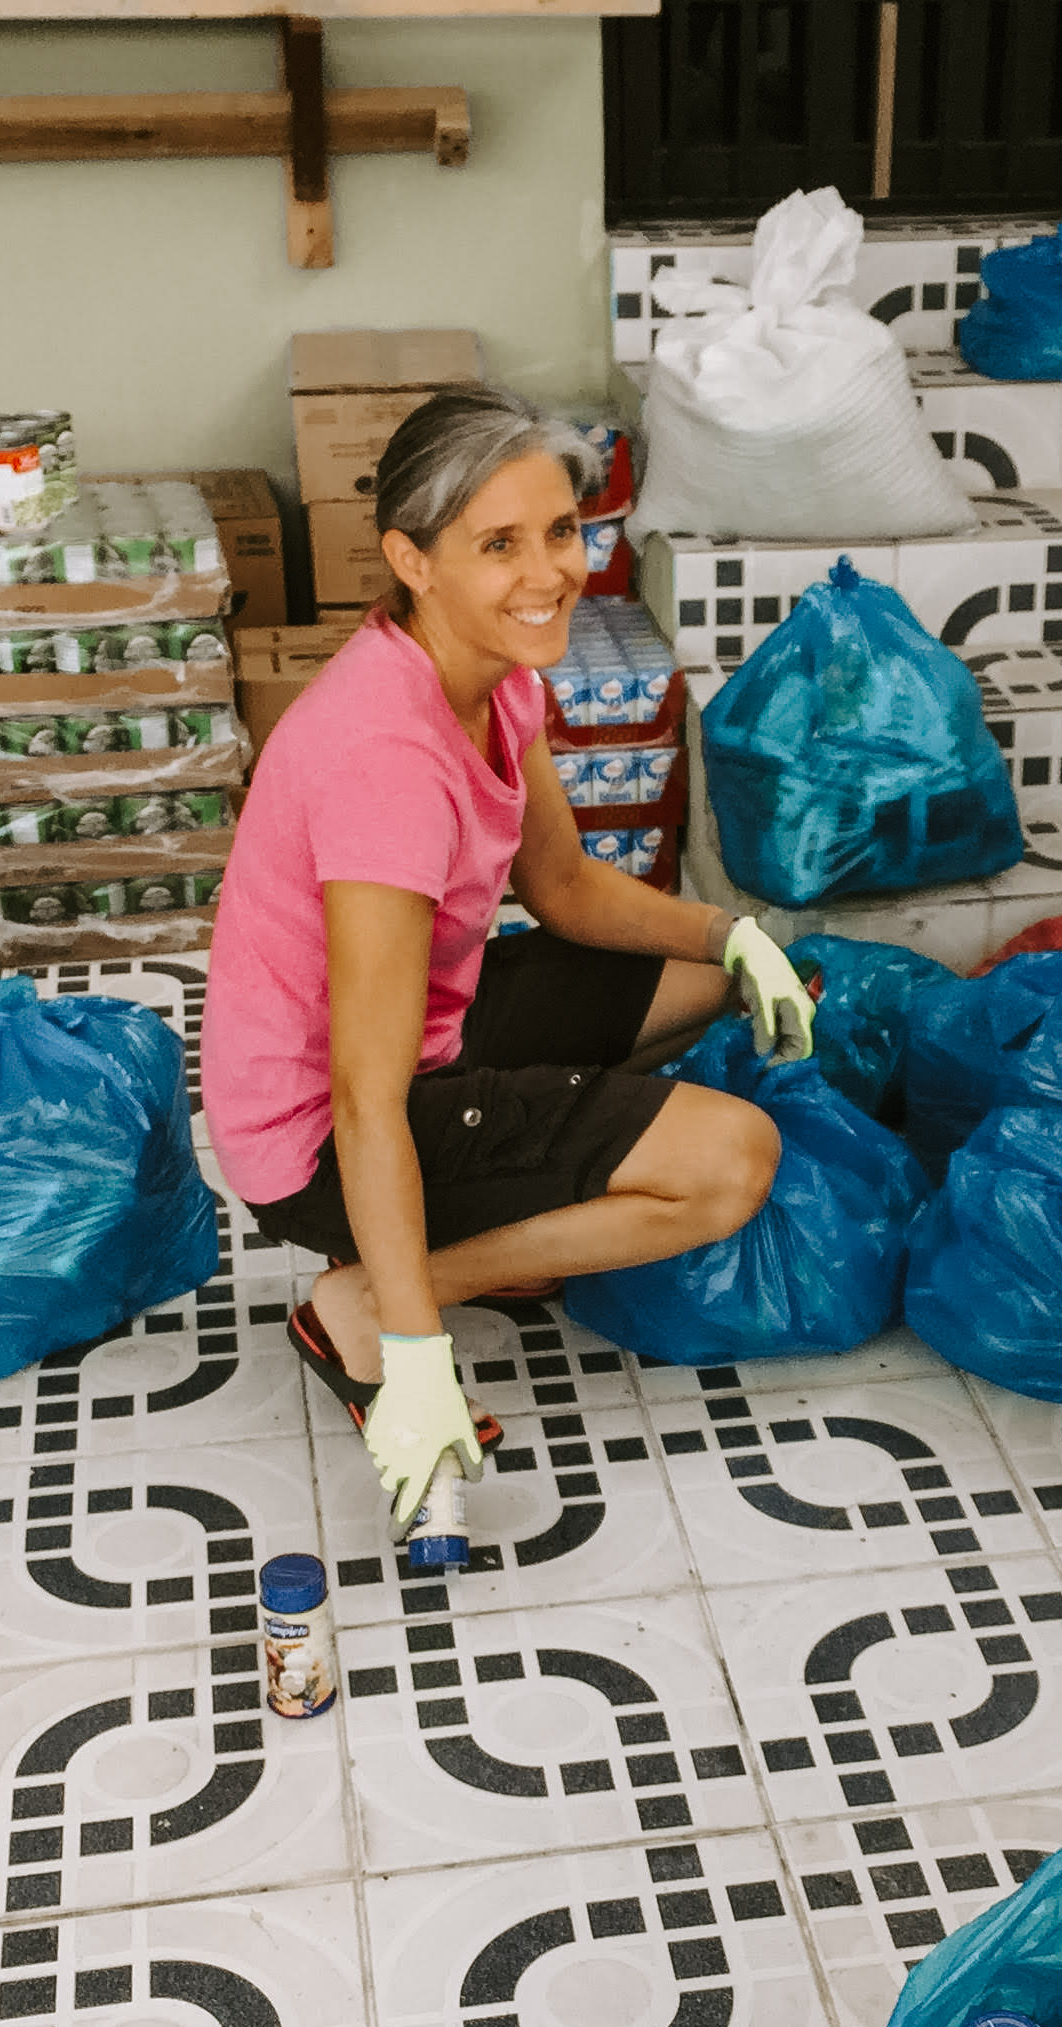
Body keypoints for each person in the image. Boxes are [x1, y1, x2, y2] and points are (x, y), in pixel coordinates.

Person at [201, 384, 813, 1531]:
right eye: (498, 545)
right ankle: (375, 1293)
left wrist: (733, 935)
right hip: (320, 1139)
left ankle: (444, 1243)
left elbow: (565, 888)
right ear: (412, 559)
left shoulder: (496, 677)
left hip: (423, 1040)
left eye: (562, 532)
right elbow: (366, 1097)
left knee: (708, 980)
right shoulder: (385, 757)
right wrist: (418, 1352)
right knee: (733, 1160)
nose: (549, 574)